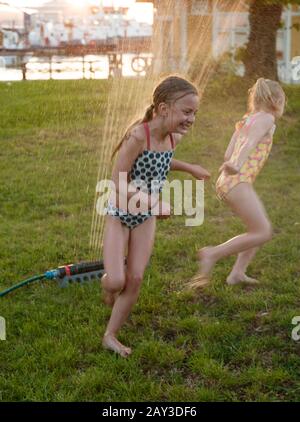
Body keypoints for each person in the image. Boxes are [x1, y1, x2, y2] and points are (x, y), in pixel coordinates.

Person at [101, 76, 210, 357]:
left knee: (134, 278)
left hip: (145, 217)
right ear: (163, 109)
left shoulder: (175, 136)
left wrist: (190, 167)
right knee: (116, 281)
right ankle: (108, 287)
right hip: (120, 211)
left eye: (194, 113)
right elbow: (117, 180)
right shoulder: (139, 135)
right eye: (186, 112)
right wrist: (150, 201)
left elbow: (161, 160)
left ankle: (110, 335)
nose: (191, 118)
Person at [187, 78, 286, 290]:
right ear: (275, 99)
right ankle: (212, 253)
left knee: (255, 228)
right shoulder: (267, 119)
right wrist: (237, 164)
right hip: (238, 179)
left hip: (228, 181)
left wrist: (233, 162)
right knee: (263, 231)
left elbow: (228, 152)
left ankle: (237, 273)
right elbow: (248, 145)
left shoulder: (247, 119)